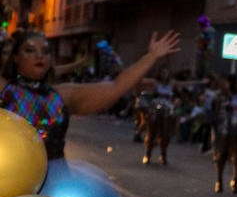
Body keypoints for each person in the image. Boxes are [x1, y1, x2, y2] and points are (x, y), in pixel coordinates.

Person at [1, 29, 180, 160]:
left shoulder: (61, 95)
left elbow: (115, 87)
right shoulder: (4, 90)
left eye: (46, 51)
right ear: (15, 57)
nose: (40, 56)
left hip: (50, 187)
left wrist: (151, 56)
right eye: (30, 50)